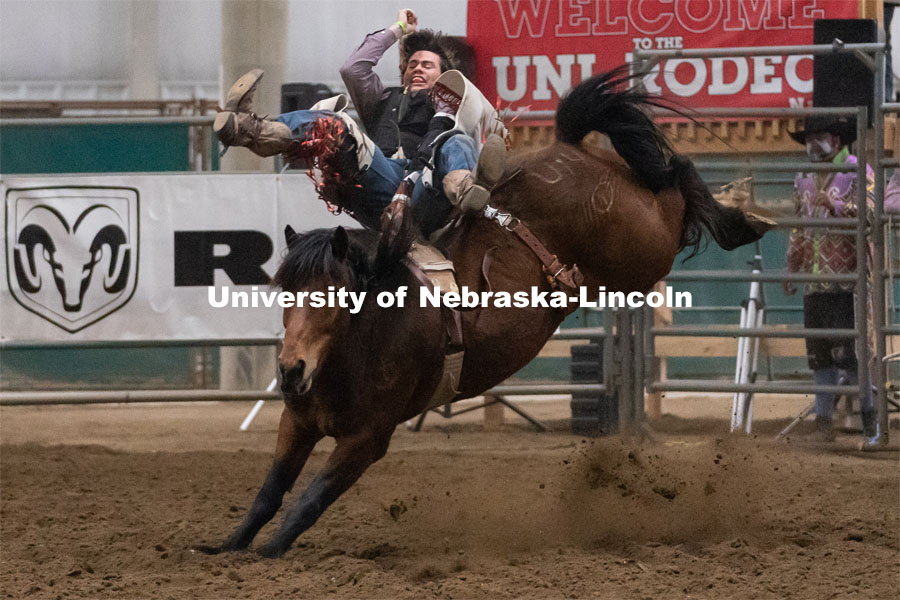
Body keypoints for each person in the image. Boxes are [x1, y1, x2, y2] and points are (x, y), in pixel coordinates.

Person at [213, 9, 506, 235]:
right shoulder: (382, 100)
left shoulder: (455, 101)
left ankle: (466, 190)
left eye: (427, 65)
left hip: (431, 191)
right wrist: (399, 29)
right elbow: (353, 69)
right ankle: (250, 130)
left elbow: (482, 126)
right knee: (335, 125)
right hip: (382, 180)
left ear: (442, 75)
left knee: (456, 140)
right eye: (412, 64)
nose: (417, 68)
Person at [785, 115, 876, 442]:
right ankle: (823, 423)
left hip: (847, 280)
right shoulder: (803, 177)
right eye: (809, 138)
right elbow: (799, 222)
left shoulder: (858, 168)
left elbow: (870, 212)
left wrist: (837, 206)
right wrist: (792, 263)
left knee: (854, 357)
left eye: (818, 137)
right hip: (815, 279)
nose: (812, 144)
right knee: (819, 355)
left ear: (836, 140)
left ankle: (870, 423)